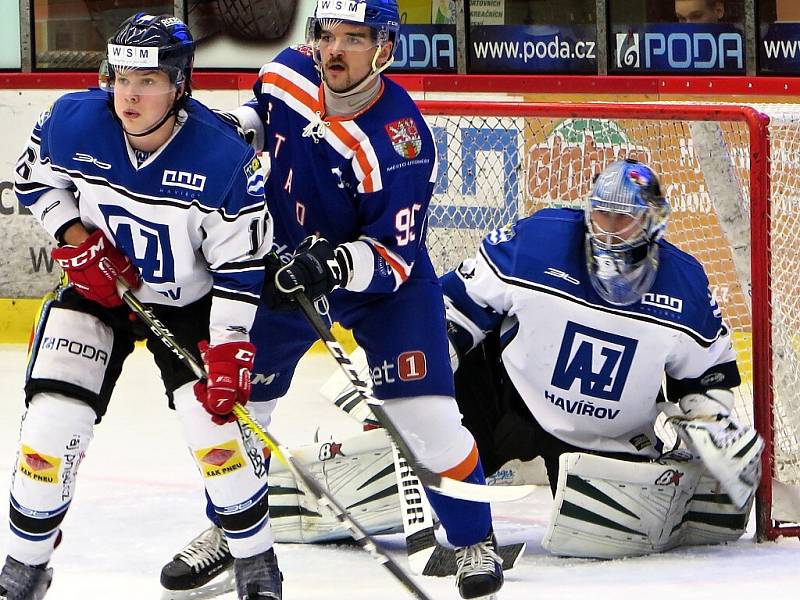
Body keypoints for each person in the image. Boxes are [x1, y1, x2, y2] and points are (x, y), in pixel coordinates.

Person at [160, 1, 503, 599]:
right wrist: (233, 133)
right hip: (286, 268)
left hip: (381, 290)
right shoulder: (289, 69)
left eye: (353, 38)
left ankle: (474, 541)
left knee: (427, 421)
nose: (334, 49)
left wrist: (337, 264)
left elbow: (394, 256)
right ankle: (230, 530)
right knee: (237, 407)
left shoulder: (400, 138)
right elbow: (262, 115)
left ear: (384, 48)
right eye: (326, 35)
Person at [0, 13, 274, 600]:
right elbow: (33, 180)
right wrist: (76, 239)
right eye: (121, 76)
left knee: (216, 435)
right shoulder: (75, 121)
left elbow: (240, 266)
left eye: (147, 79)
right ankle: (24, 567)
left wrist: (227, 348)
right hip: (100, 295)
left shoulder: (223, 159)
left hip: (191, 306)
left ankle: (256, 566)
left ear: (179, 85)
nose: (128, 93)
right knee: (51, 423)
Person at [441, 158, 764, 556]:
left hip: (607, 441)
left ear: (652, 222)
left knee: (604, 546)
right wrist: (425, 371)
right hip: (507, 401)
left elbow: (705, 376)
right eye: (602, 214)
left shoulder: (686, 286)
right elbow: (457, 306)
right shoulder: (537, 242)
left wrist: (711, 425)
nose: (608, 230)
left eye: (623, 218)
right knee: (432, 467)